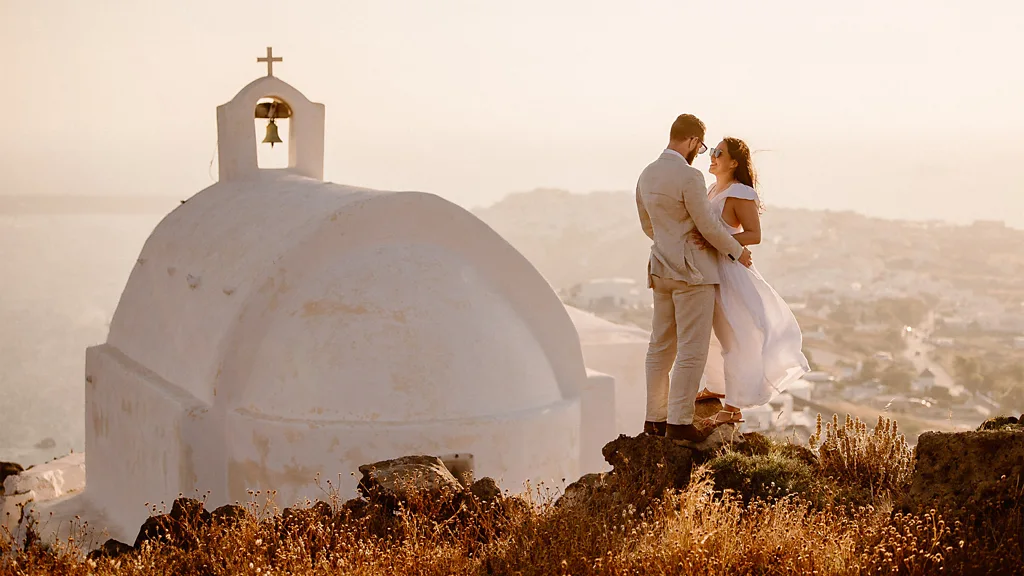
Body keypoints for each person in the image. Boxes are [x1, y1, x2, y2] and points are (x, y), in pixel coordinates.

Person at [635, 114, 753, 443]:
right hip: (693, 273)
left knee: (659, 347)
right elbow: (707, 225)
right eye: (700, 147)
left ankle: (654, 420)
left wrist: (670, 242)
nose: (699, 153)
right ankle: (679, 422)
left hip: (660, 268)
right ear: (690, 140)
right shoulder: (689, 177)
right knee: (692, 349)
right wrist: (735, 251)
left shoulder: (646, 174)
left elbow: (648, 225)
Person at [695, 137, 810, 423]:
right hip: (710, 269)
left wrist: (718, 242)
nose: (713, 156)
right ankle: (716, 387)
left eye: (718, 153)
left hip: (729, 272)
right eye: (712, 151)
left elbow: (754, 235)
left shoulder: (740, 193)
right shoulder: (712, 190)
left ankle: (733, 407)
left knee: (735, 335)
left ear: (733, 162)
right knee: (709, 333)